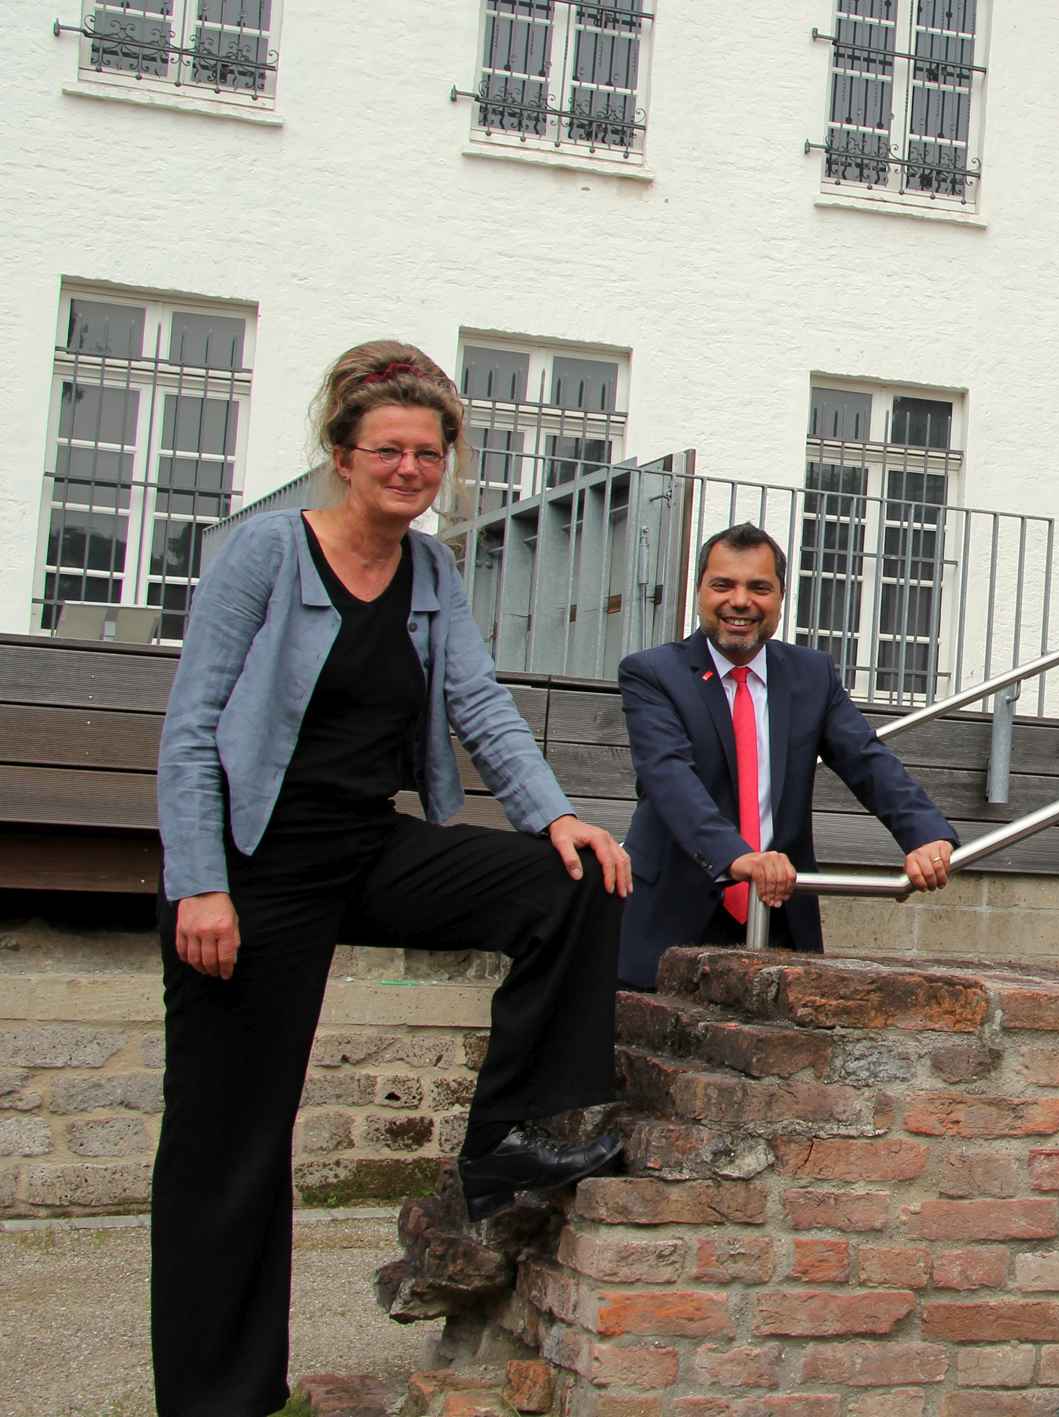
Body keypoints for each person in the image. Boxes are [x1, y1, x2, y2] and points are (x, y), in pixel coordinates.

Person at [152, 340, 633, 1417]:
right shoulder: (267, 553)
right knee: (229, 1141)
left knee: (567, 882)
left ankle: (514, 1146)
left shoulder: (431, 572)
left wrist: (556, 815)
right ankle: (218, 1398)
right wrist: (199, 883)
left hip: (366, 845)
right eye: (388, 450)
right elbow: (190, 727)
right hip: (250, 863)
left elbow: (481, 705)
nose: (410, 469)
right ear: (343, 455)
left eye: (428, 453)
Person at [616, 523, 957, 988]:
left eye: (759, 587)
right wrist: (736, 857)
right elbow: (668, 777)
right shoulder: (652, 673)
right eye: (723, 585)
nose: (740, 601)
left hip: (781, 915)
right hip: (670, 916)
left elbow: (866, 758)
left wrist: (926, 833)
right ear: (699, 592)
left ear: (780, 596)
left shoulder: (811, 674)